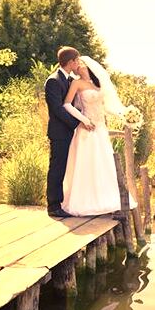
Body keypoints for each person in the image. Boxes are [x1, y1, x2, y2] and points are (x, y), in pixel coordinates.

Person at [61, 56, 138, 216]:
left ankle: (105, 198)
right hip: (87, 129)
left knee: (103, 163)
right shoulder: (76, 83)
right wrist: (83, 120)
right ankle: (85, 201)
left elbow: (106, 107)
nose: (78, 67)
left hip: (101, 129)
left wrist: (124, 115)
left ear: (88, 67)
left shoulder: (98, 84)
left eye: (81, 64)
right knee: (87, 164)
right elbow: (67, 104)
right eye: (77, 64)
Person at [44, 47, 94, 218]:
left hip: (69, 132)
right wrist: (77, 122)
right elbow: (57, 109)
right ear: (71, 62)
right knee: (57, 168)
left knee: (65, 167)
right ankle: (53, 206)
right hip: (59, 132)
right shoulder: (53, 81)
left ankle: (63, 202)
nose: (78, 63)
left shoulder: (71, 80)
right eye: (77, 60)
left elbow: (75, 105)